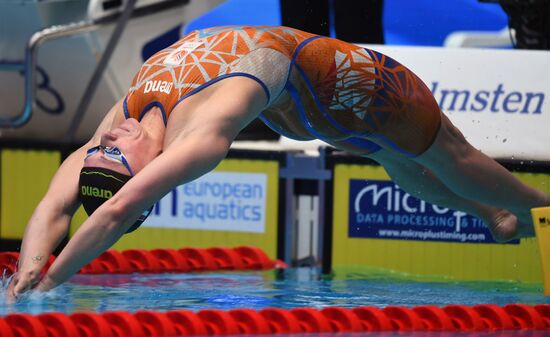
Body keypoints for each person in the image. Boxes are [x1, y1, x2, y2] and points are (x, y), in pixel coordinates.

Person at [7, 25, 550, 299]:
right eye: (113, 151)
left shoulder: (122, 126)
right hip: (334, 98)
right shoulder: (200, 136)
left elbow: (58, 202)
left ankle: (531, 212)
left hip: (357, 86)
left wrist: (36, 271)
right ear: (147, 171)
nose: (106, 138)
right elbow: (115, 211)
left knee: (444, 158)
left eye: (99, 149)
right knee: (405, 162)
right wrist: (53, 286)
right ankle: (522, 213)